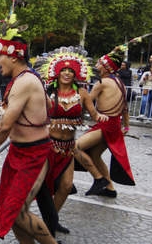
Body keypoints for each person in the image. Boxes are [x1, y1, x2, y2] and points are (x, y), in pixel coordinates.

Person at [0, 27, 76, 244]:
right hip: (19, 153)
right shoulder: (24, 79)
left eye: (0, 56)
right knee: (10, 211)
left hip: (34, 155)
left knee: (19, 213)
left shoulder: (24, 82)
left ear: (15, 57)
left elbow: (4, 125)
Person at [36, 47, 105, 233]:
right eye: (64, 70)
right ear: (57, 73)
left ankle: (51, 220)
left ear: (76, 74)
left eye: (71, 71)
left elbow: (94, 114)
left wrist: (102, 117)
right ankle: (27, 218)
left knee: (66, 187)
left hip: (68, 148)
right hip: (48, 146)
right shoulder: (48, 92)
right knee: (42, 186)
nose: (67, 74)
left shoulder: (82, 93)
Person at [75, 44, 135, 198]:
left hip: (106, 125)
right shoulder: (120, 82)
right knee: (95, 155)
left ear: (107, 68)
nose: (96, 66)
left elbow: (86, 102)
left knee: (75, 147)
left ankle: (99, 179)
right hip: (114, 124)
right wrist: (126, 127)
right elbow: (125, 108)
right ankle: (109, 188)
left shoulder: (101, 83)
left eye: (99, 64)